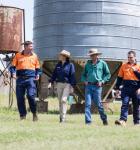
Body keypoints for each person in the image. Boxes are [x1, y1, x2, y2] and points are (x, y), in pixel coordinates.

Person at [9, 41, 41, 121]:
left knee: (31, 96)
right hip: (20, 79)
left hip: (31, 79)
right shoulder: (18, 55)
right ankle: (22, 116)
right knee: (20, 98)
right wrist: (13, 73)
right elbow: (12, 66)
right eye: (30, 46)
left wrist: (37, 75)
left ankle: (34, 113)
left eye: (32, 46)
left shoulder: (35, 56)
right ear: (25, 47)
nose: (32, 48)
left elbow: (38, 68)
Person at [81, 48, 111, 125]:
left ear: (97, 55)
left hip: (97, 87)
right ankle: (88, 122)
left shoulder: (102, 63)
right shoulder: (87, 64)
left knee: (99, 105)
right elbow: (83, 75)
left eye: (93, 55)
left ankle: (104, 119)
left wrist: (103, 81)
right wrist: (85, 80)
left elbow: (108, 74)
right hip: (88, 86)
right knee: (87, 104)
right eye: (91, 55)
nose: (92, 56)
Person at [48, 50, 76, 123]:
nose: (59, 56)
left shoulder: (70, 65)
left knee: (63, 100)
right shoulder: (58, 65)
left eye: (61, 55)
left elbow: (72, 76)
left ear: (65, 57)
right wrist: (50, 82)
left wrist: (72, 86)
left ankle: (63, 118)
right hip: (59, 84)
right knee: (60, 101)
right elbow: (54, 74)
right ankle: (61, 117)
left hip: (67, 84)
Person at [115, 50, 140, 126]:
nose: (129, 59)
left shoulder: (138, 66)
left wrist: (135, 71)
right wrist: (117, 89)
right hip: (126, 88)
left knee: (136, 106)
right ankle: (122, 120)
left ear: (135, 57)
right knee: (124, 104)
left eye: (131, 57)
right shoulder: (123, 66)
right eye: (128, 57)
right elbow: (119, 78)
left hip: (136, 88)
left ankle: (137, 122)